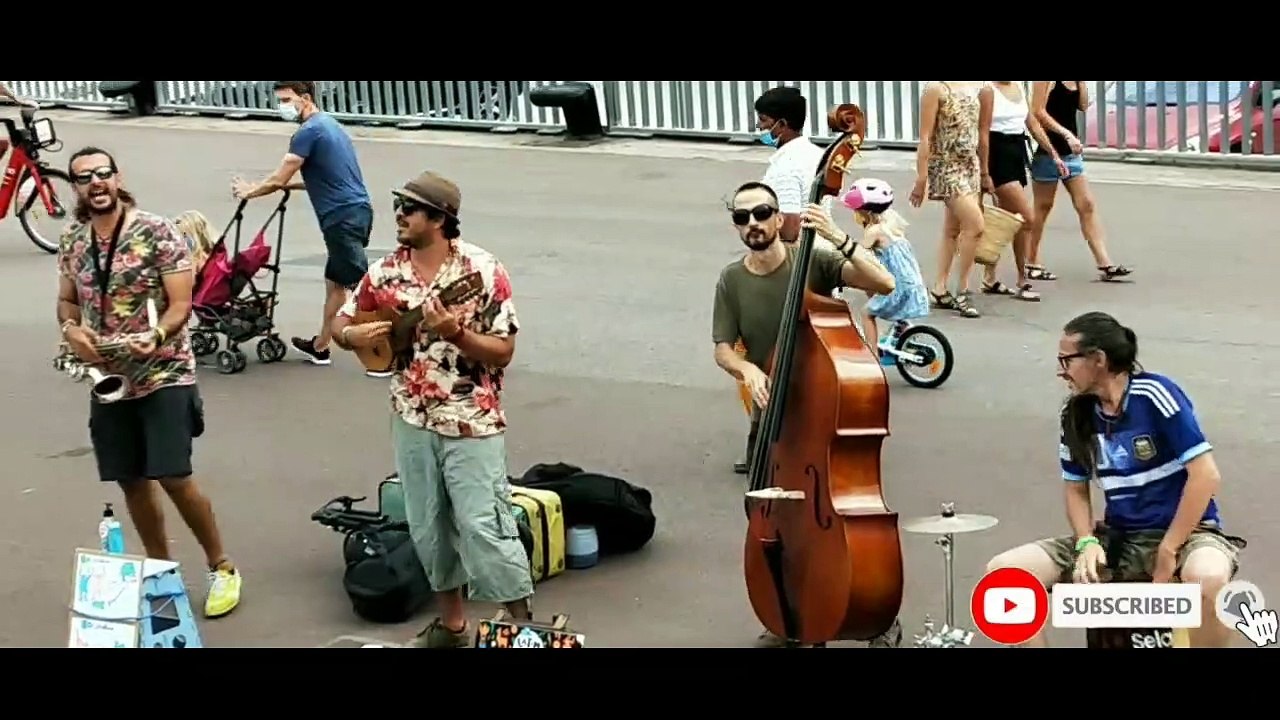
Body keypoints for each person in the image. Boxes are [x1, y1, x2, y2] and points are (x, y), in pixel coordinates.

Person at [332, 171, 533, 649]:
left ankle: (522, 629)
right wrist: (350, 335)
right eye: (397, 206)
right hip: (411, 417)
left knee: (486, 525)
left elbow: (504, 351)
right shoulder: (385, 272)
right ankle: (453, 628)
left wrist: (456, 334)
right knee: (428, 527)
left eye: (409, 208)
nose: (398, 215)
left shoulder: (482, 270)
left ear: (440, 219)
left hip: (470, 419)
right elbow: (342, 322)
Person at [710, 180, 900, 648]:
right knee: (767, 519)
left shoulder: (812, 259)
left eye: (762, 213)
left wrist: (839, 237)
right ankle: (787, 615)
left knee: (841, 522)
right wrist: (747, 369)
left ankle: (873, 613)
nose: (753, 224)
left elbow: (884, 283)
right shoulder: (732, 280)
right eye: (742, 217)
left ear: (780, 219)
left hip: (823, 411)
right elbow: (722, 348)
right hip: (772, 423)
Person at [55, 146, 242, 619]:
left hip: (164, 370)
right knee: (131, 479)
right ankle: (161, 572)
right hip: (108, 375)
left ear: (118, 179)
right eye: (84, 177)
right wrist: (71, 329)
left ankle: (221, 566)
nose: (96, 183)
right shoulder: (72, 239)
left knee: (173, 474)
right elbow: (67, 302)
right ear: (76, 188)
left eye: (103, 173)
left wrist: (156, 336)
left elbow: (182, 304)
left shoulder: (157, 231)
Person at [985, 311, 1244, 648]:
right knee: (1004, 574)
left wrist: (1169, 547)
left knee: (1209, 579)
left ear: (1098, 359)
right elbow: (1075, 488)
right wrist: (1086, 542)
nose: (1060, 371)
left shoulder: (1154, 394)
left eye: (1066, 360)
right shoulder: (1076, 415)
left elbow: (1205, 475)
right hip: (1119, 539)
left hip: (1188, 536)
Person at [231, 80, 380, 374]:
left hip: (341, 219)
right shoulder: (330, 126)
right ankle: (321, 346)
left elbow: (279, 177)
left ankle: (389, 348)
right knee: (335, 285)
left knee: (363, 290)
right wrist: (286, 187)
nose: (282, 107)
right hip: (356, 212)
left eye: (287, 100)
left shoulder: (307, 132)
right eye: (279, 101)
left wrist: (251, 191)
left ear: (306, 98)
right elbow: (325, 178)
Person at [801, 178, 929, 366]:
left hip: (897, 288)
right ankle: (902, 329)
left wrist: (836, 262)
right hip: (911, 284)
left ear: (865, 213)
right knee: (872, 290)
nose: (855, 215)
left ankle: (873, 355)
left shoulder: (873, 232)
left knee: (867, 313)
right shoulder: (892, 224)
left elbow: (857, 254)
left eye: (856, 211)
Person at [1026, 82, 1131, 282]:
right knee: (1043, 207)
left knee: (1086, 204)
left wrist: (1081, 84)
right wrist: (1065, 133)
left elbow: (1083, 105)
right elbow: (1037, 111)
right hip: (1048, 151)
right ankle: (1032, 260)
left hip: (1071, 153)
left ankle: (1104, 262)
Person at [911, 81, 991, 319]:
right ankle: (963, 290)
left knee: (952, 229)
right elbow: (925, 137)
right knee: (975, 225)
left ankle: (940, 287)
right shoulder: (936, 88)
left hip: (970, 165)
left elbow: (982, 132)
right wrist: (921, 178)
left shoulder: (978, 86)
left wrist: (985, 171)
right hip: (946, 165)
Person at [978, 81, 1061, 302]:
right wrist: (984, 172)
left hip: (1015, 152)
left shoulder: (1018, 87)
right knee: (1026, 217)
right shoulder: (988, 90)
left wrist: (1053, 153)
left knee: (1009, 218)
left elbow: (1031, 123)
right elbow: (983, 132)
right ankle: (1022, 279)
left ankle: (991, 277)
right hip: (996, 154)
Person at [755, 87, 825, 244]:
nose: (759, 125)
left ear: (782, 124)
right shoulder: (817, 154)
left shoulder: (786, 166)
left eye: (763, 120)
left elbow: (789, 230)